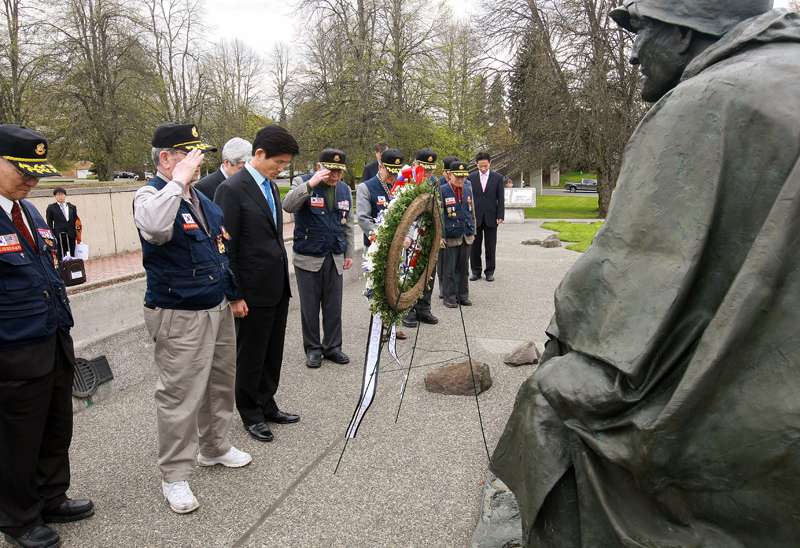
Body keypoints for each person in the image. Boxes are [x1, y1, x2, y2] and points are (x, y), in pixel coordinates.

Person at [491, 3, 800, 546]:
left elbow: (622, 288)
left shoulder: (705, 99)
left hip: (741, 423)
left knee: (547, 401)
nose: (632, 51)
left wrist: (566, 344)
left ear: (683, 34)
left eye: (643, 31)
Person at [134, 122, 250, 515]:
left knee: (220, 382)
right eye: (189, 154)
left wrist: (233, 296)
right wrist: (175, 182)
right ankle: (175, 476)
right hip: (179, 314)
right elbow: (153, 227)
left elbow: (219, 253)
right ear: (165, 158)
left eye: (200, 154)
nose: (198, 162)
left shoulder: (202, 200)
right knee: (180, 394)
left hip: (215, 305)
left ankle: (215, 447)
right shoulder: (151, 196)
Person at [0, 125, 94, 548]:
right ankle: (18, 518)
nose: (34, 180)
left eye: (38, 170)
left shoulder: (31, 212)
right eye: (24, 170)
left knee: (56, 424)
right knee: (16, 438)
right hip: (13, 346)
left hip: (53, 335)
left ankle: (51, 496)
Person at [214, 125, 300, 443]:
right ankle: (250, 412)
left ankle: (267, 402)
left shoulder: (270, 186)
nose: (281, 169)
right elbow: (227, 248)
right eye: (278, 162)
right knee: (250, 355)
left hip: (276, 285)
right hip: (250, 291)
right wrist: (234, 295)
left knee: (272, 352)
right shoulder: (233, 189)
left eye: (285, 164)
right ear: (259, 154)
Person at [282, 149, 354, 368]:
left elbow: (348, 222)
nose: (334, 176)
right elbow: (287, 205)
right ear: (319, 167)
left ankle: (333, 347)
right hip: (309, 256)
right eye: (330, 170)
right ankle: (313, 349)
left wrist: (349, 252)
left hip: (334, 255)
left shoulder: (344, 189)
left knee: (334, 307)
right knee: (310, 307)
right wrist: (310, 184)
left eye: (339, 172)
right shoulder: (302, 181)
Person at [356, 148, 408, 339]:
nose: (393, 176)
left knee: (397, 285)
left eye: (396, 172)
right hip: (377, 247)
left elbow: (408, 215)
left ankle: (393, 325)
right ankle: (378, 328)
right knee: (378, 288)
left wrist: (407, 235)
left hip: (398, 247)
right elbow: (363, 219)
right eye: (389, 171)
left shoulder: (402, 186)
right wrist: (386, 237)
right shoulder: (366, 187)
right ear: (380, 166)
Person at [402, 148, 440, 328]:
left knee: (428, 270)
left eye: (431, 170)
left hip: (427, 233)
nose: (428, 174)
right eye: (424, 169)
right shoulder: (406, 180)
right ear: (415, 165)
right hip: (410, 233)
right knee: (409, 271)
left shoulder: (434, 183)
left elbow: (439, 211)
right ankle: (407, 309)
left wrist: (439, 234)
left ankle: (423, 308)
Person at [439, 160, 476, 308]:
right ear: (450, 175)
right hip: (450, 234)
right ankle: (449, 297)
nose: (461, 179)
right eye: (457, 176)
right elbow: (439, 214)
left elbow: (472, 211)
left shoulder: (468, 189)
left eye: (463, 177)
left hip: (465, 233)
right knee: (449, 269)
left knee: (464, 268)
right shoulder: (442, 189)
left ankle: (462, 295)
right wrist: (441, 235)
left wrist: (473, 231)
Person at [467, 151, 504, 282]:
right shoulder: (470, 178)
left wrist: (500, 215)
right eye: (480, 166)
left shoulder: (498, 177)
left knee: (490, 246)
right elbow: (468, 198)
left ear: (490, 163)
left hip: (491, 216)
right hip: (475, 217)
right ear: (476, 164)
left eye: (485, 166)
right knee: (474, 247)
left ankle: (489, 271)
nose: (483, 169)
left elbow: (500, 198)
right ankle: (476, 271)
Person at [45, 187, 78, 259]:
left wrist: (77, 234)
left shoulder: (72, 207)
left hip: (71, 233)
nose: (60, 196)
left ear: (65, 195)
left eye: (62, 194)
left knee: (72, 253)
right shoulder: (51, 207)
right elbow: (49, 223)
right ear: (55, 196)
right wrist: (52, 236)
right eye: (58, 195)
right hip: (59, 234)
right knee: (61, 254)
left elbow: (76, 221)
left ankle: (72, 268)